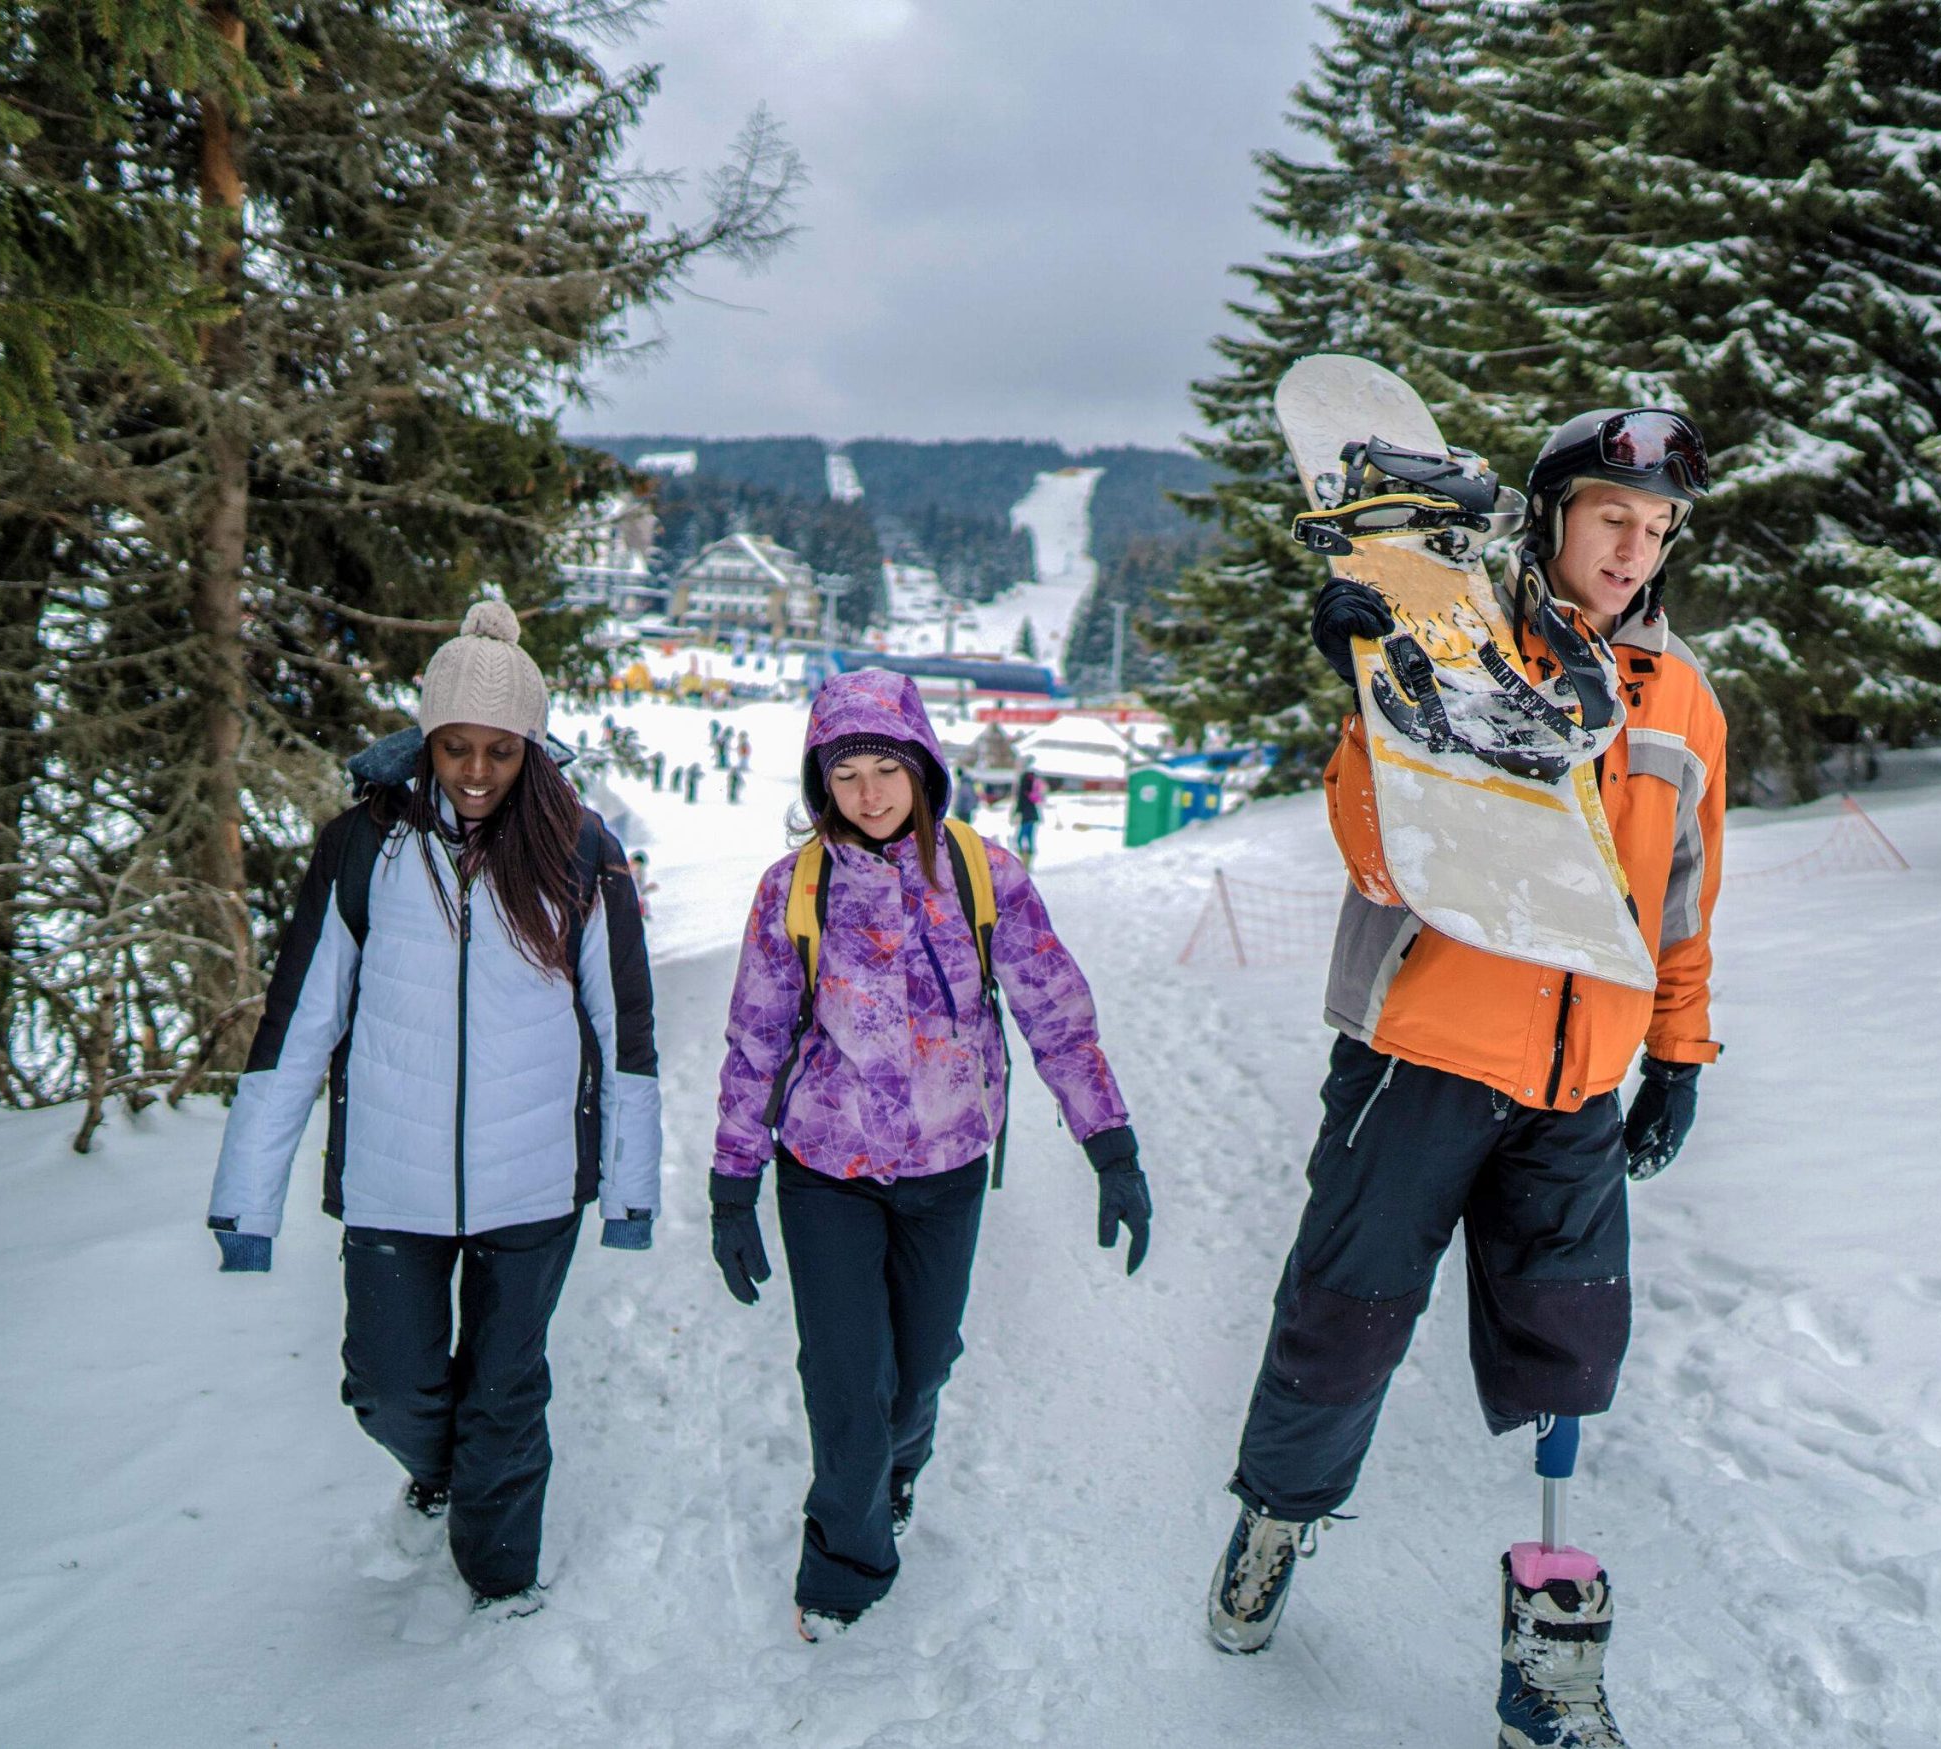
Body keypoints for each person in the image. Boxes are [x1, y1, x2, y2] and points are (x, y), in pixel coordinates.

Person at [1206, 409, 1725, 1748]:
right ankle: (1275, 1520)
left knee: (1569, 1344)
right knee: (1345, 1320)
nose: (1636, 546)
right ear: (1554, 515)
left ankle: (1550, 1647)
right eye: (1614, 514)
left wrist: (1675, 1049)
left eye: (1659, 526)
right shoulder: (1455, 646)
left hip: (1579, 1085)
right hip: (1423, 1054)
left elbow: (1681, 903)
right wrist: (1371, 693)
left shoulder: (1682, 700)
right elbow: (1383, 861)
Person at [206, 599, 661, 1616]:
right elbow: (298, 1025)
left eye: (499, 750)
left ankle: (499, 1589)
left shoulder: (582, 853)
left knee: (506, 1393)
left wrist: (630, 1191)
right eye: (454, 746)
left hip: (535, 1181)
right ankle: (438, 1461)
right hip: (390, 1182)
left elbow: (624, 1032)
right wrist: (247, 1202)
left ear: (531, 748)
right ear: (427, 740)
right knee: (388, 1385)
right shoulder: (364, 849)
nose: (473, 771)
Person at [707, 667, 1151, 1641]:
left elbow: (1055, 1015)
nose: (866, 794)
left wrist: (1109, 1147)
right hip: (826, 1172)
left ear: (921, 768)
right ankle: (843, 1573)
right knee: (844, 1384)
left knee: (919, 1373)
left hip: (948, 1171)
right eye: (845, 773)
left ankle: (894, 1468)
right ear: (820, 783)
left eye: (884, 769)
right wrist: (731, 1187)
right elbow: (754, 1043)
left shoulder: (986, 877)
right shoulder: (794, 891)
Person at [1010, 764, 1045, 862]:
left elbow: (1020, 803)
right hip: (1032, 815)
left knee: (1021, 837)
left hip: (1027, 816)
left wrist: (1015, 814)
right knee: (1029, 837)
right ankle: (1029, 857)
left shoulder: (1024, 789)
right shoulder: (1031, 786)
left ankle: (1024, 857)